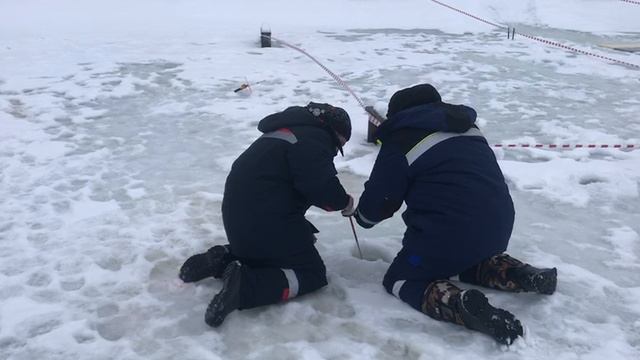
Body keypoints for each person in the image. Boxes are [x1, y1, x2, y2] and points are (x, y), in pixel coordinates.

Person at [345, 84, 557, 345]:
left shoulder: (400, 140)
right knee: (466, 261)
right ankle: (521, 275)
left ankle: (460, 305)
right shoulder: (468, 128)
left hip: (448, 234)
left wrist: (361, 216)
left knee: (400, 278)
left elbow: (379, 205)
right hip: (499, 225)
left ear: (397, 114)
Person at [179, 102, 355, 327]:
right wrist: (344, 202)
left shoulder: (283, 132)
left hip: (239, 221)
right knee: (312, 273)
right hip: (264, 221)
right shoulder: (313, 139)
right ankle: (245, 286)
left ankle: (224, 259)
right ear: (332, 130)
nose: (335, 150)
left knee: (296, 239)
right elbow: (321, 188)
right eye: (339, 143)